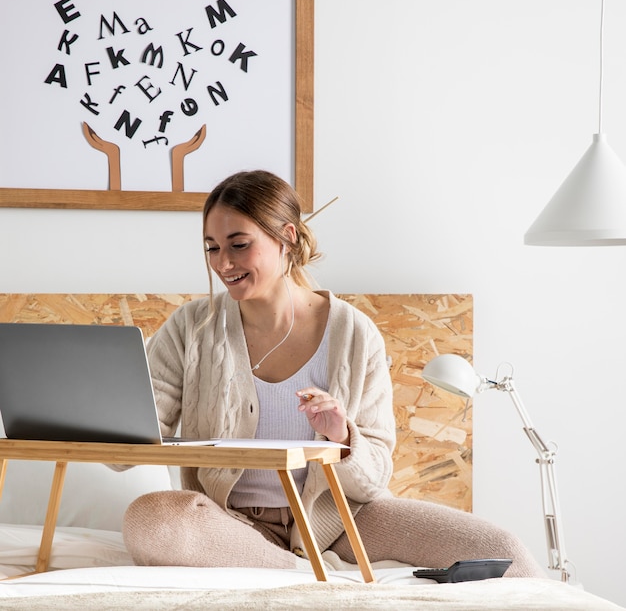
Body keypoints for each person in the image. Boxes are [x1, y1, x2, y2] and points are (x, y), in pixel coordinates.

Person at [122, 169, 545, 577]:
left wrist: (343, 437)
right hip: (227, 524)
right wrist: (95, 413)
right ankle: (302, 575)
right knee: (153, 519)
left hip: (341, 519)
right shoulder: (191, 326)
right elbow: (140, 428)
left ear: (286, 237)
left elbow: (374, 474)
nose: (223, 262)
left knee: (503, 551)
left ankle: (288, 567)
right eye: (212, 247)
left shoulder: (354, 332)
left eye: (239, 244)